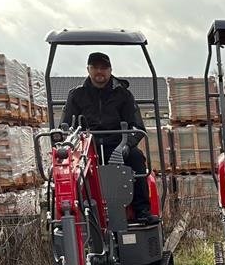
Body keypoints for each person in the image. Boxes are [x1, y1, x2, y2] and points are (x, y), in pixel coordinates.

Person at [61, 52, 157, 224]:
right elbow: (66, 126)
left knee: (136, 158)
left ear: (110, 69)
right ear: (88, 69)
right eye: (95, 67)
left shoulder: (123, 95)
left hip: (117, 145)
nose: (100, 72)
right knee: (68, 169)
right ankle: (73, 214)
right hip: (87, 148)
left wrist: (126, 145)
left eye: (103, 68)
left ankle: (142, 210)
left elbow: (137, 126)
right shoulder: (76, 95)